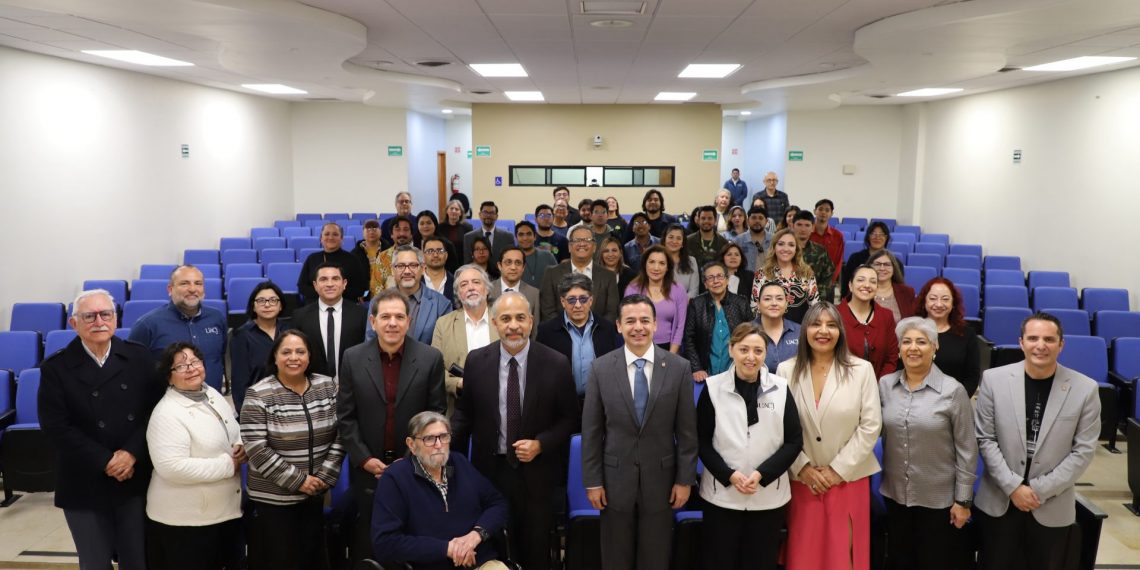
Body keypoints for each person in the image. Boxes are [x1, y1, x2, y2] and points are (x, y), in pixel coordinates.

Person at [452, 292, 579, 570]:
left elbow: (570, 419)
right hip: (490, 473)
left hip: (538, 473)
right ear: (495, 323)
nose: (513, 326)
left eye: (520, 318)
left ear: (531, 321)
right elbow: (464, 415)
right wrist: (443, 449)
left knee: (535, 551)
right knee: (494, 549)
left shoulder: (556, 363)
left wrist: (541, 444)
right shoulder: (477, 361)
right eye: (506, 319)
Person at [39, 289, 163, 569]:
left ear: (115, 319)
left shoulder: (139, 357)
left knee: (138, 560)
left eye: (105, 314)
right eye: (89, 316)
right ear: (74, 323)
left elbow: (156, 413)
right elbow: (56, 426)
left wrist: (131, 453)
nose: (99, 322)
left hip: (134, 476)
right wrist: (106, 460)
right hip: (84, 480)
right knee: (94, 562)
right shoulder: (55, 368)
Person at [974, 313, 1101, 570]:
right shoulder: (993, 380)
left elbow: (1083, 451)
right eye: (1033, 338)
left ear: (1061, 344)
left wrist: (1038, 490)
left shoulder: (1085, 389)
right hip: (999, 500)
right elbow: (985, 438)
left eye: (1049, 339)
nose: (1040, 345)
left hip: (1051, 504)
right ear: (1021, 342)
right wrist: (1013, 487)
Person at [581, 295, 698, 570]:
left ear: (655, 325)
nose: (638, 327)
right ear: (619, 326)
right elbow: (591, 431)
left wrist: (684, 480)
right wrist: (593, 482)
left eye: (645, 320)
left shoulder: (679, 368)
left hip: (662, 481)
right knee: (615, 558)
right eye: (630, 321)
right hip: (614, 482)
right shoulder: (600, 368)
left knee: (655, 558)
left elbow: (687, 433)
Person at [337, 288, 447, 566]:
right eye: (385, 317)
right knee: (371, 544)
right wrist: (364, 459)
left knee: (414, 542)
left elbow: (435, 415)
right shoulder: (352, 358)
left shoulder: (430, 358)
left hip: (415, 469)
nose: (392, 323)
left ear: (409, 321)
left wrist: (411, 459)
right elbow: (346, 417)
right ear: (372, 322)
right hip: (368, 471)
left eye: (399, 317)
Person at [776, 302, 882, 570]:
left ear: (840, 332)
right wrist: (802, 468)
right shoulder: (786, 370)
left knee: (842, 558)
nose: (823, 331)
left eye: (831, 325)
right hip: (803, 482)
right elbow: (777, 426)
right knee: (804, 556)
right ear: (804, 330)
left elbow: (870, 426)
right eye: (816, 324)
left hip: (847, 480)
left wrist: (837, 470)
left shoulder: (861, 370)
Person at [697, 322, 802, 570]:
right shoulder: (713, 388)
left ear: (766, 353)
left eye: (758, 351)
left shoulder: (780, 388)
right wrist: (729, 475)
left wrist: (762, 474)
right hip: (721, 497)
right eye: (744, 350)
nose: (751, 357)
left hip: (768, 497)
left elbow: (794, 441)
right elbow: (701, 441)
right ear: (731, 349)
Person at [240, 329, 345, 570]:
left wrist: (323, 477)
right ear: (275, 357)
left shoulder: (327, 386)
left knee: (314, 561)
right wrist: (299, 481)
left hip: (315, 495)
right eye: (286, 352)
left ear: (309, 356)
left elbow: (342, 434)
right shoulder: (259, 394)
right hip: (273, 502)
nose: (294, 357)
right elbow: (257, 449)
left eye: (300, 351)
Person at [878, 317, 977, 570]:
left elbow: (967, 449)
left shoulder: (953, 391)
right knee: (900, 562)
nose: (913, 348)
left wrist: (963, 501)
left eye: (921, 342)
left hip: (939, 502)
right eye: (906, 342)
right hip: (896, 496)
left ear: (935, 347)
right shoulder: (885, 385)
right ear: (899, 348)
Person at [145, 342, 244, 570]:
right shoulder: (166, 413)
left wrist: (240, 444)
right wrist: (229, 465)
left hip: (223, 513)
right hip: (186, 523)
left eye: (194, 362)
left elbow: (233, 429)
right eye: (180, 366)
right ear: (169, 377)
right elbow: (172, 467)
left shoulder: (211, 393)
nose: (190, 369)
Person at [371, 412, 510, 570]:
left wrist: (476, 535)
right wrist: (447, 549)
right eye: (429, 439)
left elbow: (497, 504)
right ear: (411, 445)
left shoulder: (460, 463)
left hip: (480, 560)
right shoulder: (395, 478)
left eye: (444, 437)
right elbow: (385, 543)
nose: (438, 445)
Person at [130, 264, 227, 390]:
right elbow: (132, 368)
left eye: (198, 283)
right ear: (170, 289)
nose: (192, 289)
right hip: (166, 400)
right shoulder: (147, 324)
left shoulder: (216, 317)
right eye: (184, 283)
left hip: (211, 397)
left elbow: (221, 356)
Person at [535, 273, 624, 402]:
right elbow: (541, 372)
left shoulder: (607, 329)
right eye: (571, 300)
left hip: (600, 402)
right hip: (562, 403)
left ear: (591, 300)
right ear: (563, 302)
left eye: (583, 299)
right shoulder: (547, 332)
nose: (577, 305)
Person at [433, 264, 500, 414]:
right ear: (458, 293)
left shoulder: (502, 321)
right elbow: (435, 369)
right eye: (464, 284)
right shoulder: (443, 324)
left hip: (499, 405)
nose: (470, 288)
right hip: (458, 407)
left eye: (476, 282)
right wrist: (458, 383)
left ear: (487, 289)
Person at [291, 262, 368, 379]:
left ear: (344, 284)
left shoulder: (361, 314)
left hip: (353, 383)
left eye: (335, 279)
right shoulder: (300, 316)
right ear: (315, 285)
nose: (330, 284)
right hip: (313, 384)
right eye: (323, 279)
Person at [683, 261, 752, 382]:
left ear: (727, 280)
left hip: (736, 371)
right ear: (705, 284)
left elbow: (751, 337)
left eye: (720, 276)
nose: (716, 281)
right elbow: (689, 338)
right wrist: (696, 368)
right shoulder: (697, 304)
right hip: (705, 374)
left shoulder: (741, 303)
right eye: (710, 278)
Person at [229, 281, 292, 412]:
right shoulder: (242, 336)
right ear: (253, 306)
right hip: (258, 405)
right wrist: (246, 413)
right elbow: (239, 383)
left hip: (290, 402)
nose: (267, 304)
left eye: (273, 300)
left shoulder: (290, 331)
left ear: (280, 305)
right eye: (261, 300)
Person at [538, 225, 620, 322]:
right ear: (569, 247)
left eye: (587, 240)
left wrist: (593, 330)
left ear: (594, 247)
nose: (582, 244)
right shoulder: (552, 273)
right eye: (577, 240)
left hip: (598, 330)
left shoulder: (608, 276)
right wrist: (567, 329)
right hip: (560, 330)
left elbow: (612, 312)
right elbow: (547, 311)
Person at [915, 277, 981, 395]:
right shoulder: (912, 331)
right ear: (924, 301)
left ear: (953, 303)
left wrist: (958, 400)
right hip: (914, 397)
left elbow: (972, 376)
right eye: (933, 298)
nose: (939, 304)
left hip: (953, 399)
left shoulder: (967, 334)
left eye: (945, 299)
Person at [838, 264, 900, 378]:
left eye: (873, 282)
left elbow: (892, 357)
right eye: (861, 280)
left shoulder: (886, 316)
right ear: (850, 285)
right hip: (841, 381)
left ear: (877, 288)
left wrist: (879, 384)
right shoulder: (835, 314)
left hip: (879, 384)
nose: (867, 285)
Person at [624, 245, 688, 354]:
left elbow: (680, 326)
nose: (656, 268)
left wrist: (671, 356)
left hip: (669, 349)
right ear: (645, 264)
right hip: (638, 347)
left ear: (667, 267)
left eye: (662, 263)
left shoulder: (678, 290)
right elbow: (627, 322)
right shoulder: (632, 289)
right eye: (652, 262)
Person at [750, 229, 820, 323]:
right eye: (781, 244)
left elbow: (815, 307)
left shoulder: (806, 273)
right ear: (774, 247)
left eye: (791, 245)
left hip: (800, 328)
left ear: (796, 249)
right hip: (768, 328)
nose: (786, 249)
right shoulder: (762, 274)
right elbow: (755, 307)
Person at [386, 245, 452, 344]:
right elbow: (372, 342)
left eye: (413, 265)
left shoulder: (442, 304)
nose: (407, 271)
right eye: (401, 266)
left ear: (423, 269)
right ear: (392, 270)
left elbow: (445, 345)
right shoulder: (378, 302)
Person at [297, 222, 370, 303]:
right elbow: (302, 286)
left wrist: (335, 294)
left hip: (345, 304)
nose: (331, 237)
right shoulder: (312, 259)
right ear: (321, 238)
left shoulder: (353, 259)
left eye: (335, 234)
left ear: (341, 239)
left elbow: (361, 288)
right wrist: (323, 294)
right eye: (327, 234)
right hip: (316, 303)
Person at [488, 247, 541, 338]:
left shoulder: (534, 293)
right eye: (508, 262)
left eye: (518, 263)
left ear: (523, 267)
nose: (513, 267)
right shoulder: (487, 291)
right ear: (500, 266)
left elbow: (535, 330)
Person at [755, 281, 801, 373]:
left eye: (779, 299)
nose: (774, 303)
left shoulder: (800, 331)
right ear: (758, 304)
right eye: (767, 299)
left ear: (786, 304)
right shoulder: (747, 332)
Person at [792, 210, 836, 303]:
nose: (803, 229)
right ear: (792, 226)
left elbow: (827, 277)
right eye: (799, 225)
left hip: (815, 300)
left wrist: (815, 298)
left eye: (807, 225)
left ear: (812, 228)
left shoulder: (821, 251)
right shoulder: (784, 250)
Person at [842, 220, 891, 298]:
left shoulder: (893, 261)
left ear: (886, 238)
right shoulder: (855, 258)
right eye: (873, 234)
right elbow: (846, 284)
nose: (877, 237)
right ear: (868, 237)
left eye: (881, 234)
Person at [867, 249, 916, 322]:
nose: (882, 268)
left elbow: (913, 321)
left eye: (887, 264)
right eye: (877, 264)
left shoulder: (907, 292)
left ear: (894, 268)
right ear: (869, 267)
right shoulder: (861, 290)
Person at [373, 215, 416, 295]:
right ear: (391, 235)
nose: (402, 233)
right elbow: (376, 287)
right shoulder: (382, 257)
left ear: (411, 234)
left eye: (406, 229)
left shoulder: (420, 256)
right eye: (397, 229)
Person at [463, 201, 515, 266]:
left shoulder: (508, 237)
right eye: (485, 212)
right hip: (477, 271)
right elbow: (467, 263)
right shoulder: (469, 237)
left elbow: (510, 261)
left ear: (496, 216)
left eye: (492, 213)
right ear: (480, 215)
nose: (488, 215)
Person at [685, 205, 729, 272]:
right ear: (698, 220)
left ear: (715, 220)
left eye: (710, 218)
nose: (706, 221)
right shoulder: (688, 241)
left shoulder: (723, 243)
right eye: (703, 218)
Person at [514, 220, 557, 288]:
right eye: (521, 235)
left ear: (535, 236)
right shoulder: (511, 259)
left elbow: (557, 281)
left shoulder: (548, 256)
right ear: (516, 238)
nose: (525, 238)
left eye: (529, 234)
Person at [809, 199, 844, 283]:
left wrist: (831, 280)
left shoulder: (838, 236)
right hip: (807, 280)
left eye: (827, 210)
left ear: (831, 214)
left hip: (828, 281)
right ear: (814, 211)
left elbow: (838, 261)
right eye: (820, 209)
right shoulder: (807, 233)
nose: (823, 212)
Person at [415, 210, 460, 274]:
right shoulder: (413, 243)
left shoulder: (447, 245)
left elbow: (453, 269)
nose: (425, 226)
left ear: (435, 224)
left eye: (429, 223)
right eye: (422, 223)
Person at [663, 224, 701, 299]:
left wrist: (680, 303)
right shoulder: (657, 260)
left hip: (686, 303)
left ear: (683, 243)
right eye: (671, 237)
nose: (674, 241)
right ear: (664, 239)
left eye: (678, 238)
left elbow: (694, 290)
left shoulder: (691, 261)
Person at [733, 204, 771, 271]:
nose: (757, 221)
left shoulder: (774, 240)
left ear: (766, 221)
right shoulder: (738, 241)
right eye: (753, 218)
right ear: (748, 221)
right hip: (745, 277)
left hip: (769, 276)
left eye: (760, 218)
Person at [421, 236, 456, 304]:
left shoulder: (456, 282)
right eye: (430, 251)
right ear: (423, 256)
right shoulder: (416, 282)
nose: (435, 255)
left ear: (446, 255)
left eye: (440, 251)